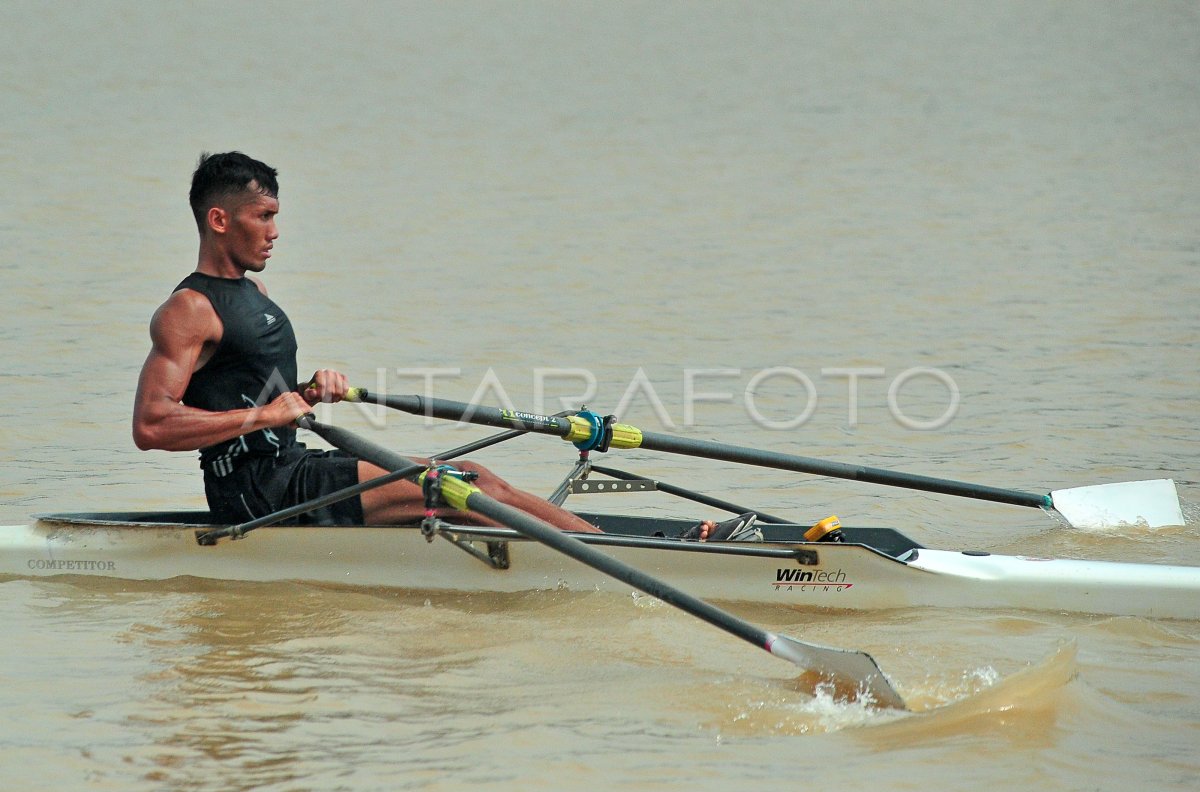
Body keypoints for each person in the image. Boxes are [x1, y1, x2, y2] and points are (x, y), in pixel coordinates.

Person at [132, 151, 759, 540]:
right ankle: (633, 552)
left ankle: (613, 542)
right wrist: (265, 415)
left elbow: (246, 388)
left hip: (291, 471)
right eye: (262, 216)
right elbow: (152, 424)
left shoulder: (254, 293)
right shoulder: (188, 309)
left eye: (274, 215)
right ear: (220, 220)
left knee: (474, 477)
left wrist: (303, 393)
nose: (275, 231)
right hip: (255, 493)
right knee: (456, 486)